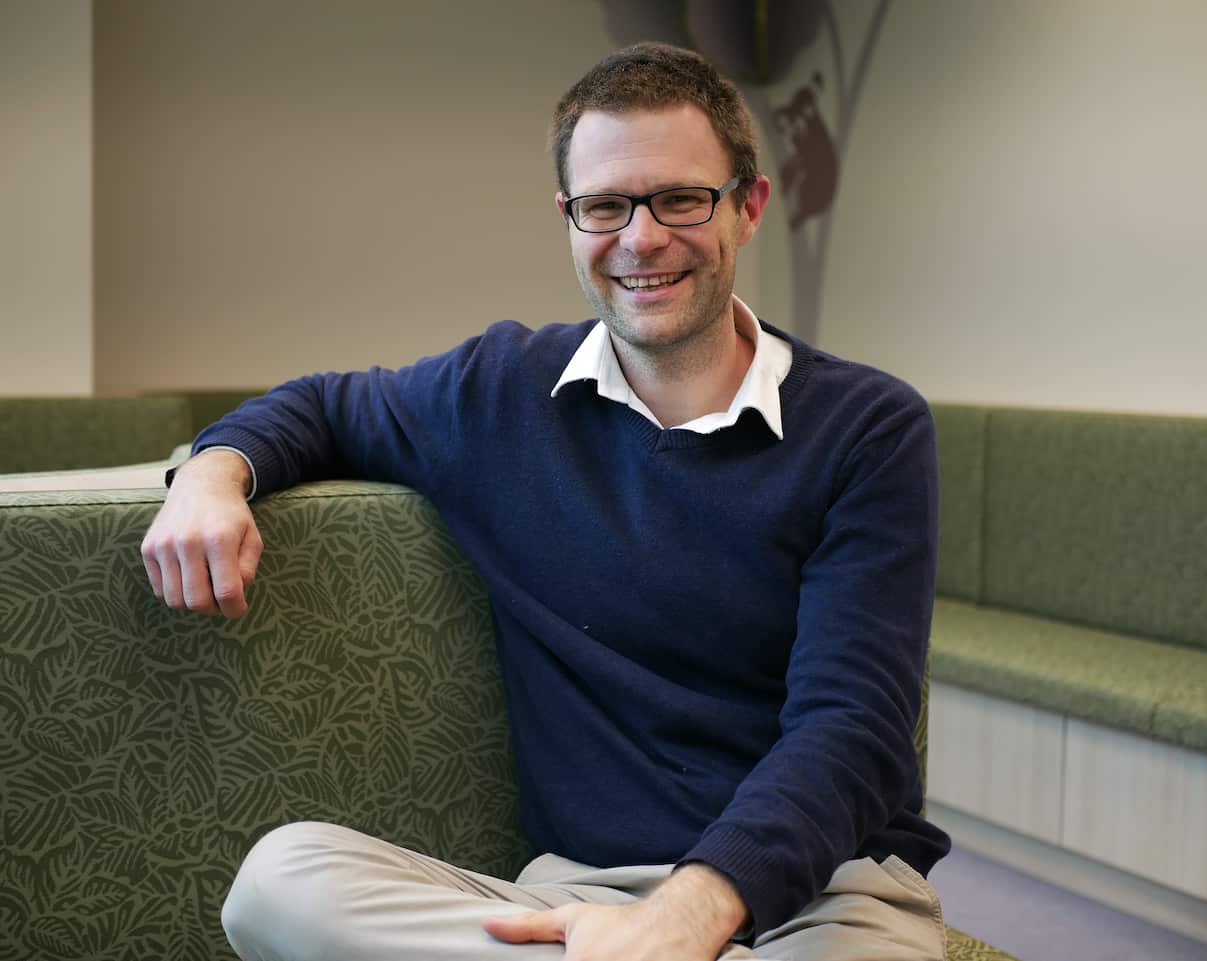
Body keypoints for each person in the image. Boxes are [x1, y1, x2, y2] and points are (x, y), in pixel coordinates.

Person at [141, 41, 950, 961]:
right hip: (579, 896)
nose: (641, 238)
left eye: (680, 199)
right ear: (569, 218)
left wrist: (688, 919)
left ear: (747, 207)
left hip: (823, 894)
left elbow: (854, 726)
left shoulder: (869, 426)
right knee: (278, 882)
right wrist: (214, 473)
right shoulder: (501, 392)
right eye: (605, 205)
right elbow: (319, 406)